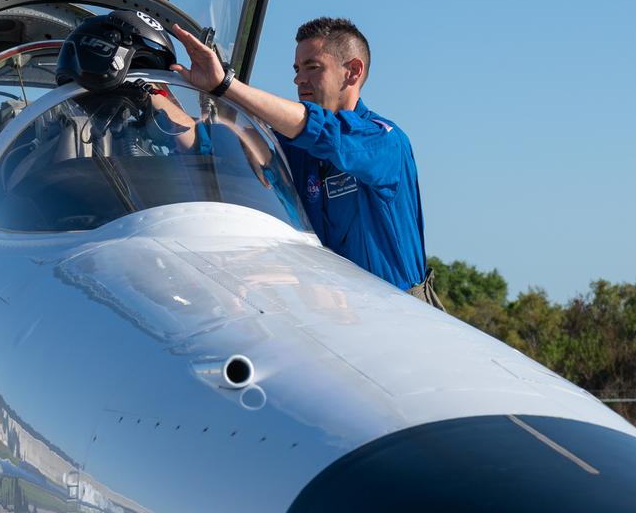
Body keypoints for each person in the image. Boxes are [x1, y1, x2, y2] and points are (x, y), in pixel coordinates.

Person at [170, 16, 441, 307]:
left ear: (353, 72)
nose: (299, 79)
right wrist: (155, 90)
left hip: (400, 315)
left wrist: (225, 85)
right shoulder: (293, 146)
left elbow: (324, 131)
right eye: (297, 69)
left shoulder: (384, 141)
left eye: (313, 67)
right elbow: (200, 140)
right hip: (333, 313)